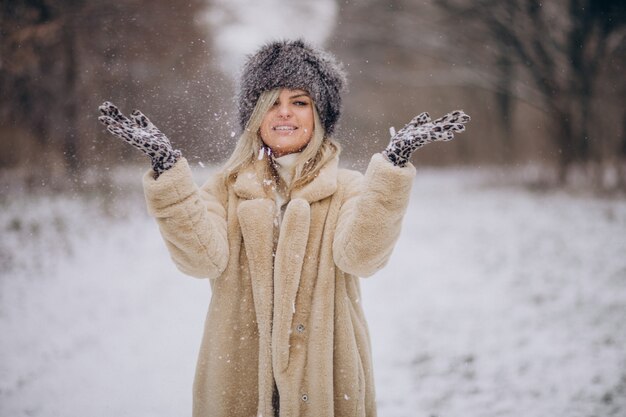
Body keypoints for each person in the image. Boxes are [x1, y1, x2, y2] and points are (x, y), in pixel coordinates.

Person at [98, 39, 470, 417]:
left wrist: (391, 170)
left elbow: (361, 258)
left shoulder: (348, 188)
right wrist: (168, 173)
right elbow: (201, 260)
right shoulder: (226, 190)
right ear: (254, 115)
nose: (284, 114)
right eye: (272, 102)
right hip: (235, 380)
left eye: (300, 102)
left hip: (328, 385)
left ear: (320, 114)